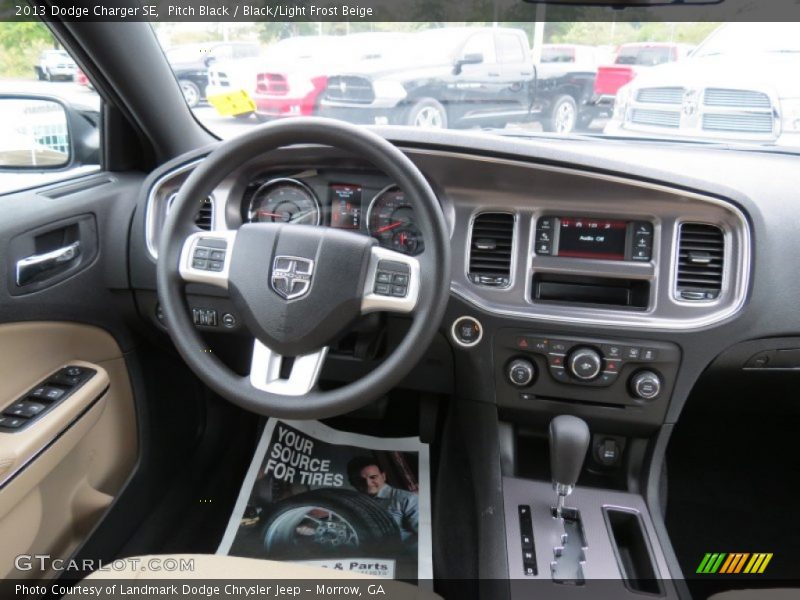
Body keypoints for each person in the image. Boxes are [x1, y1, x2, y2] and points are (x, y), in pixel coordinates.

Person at [347, 456, 419, 547]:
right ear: (352, 483)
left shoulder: (407, 498)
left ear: (383, 476)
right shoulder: (353, 504)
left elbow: (423, 536)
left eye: (373, 477)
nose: (368, 483)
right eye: (360, 480)